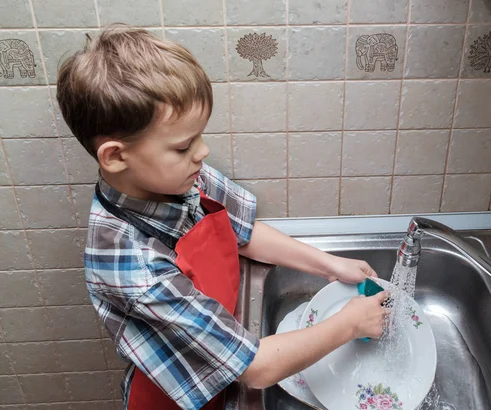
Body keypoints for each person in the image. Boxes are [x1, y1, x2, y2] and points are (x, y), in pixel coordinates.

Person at [56, 25, 389, 410]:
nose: (202, 152)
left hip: (224, 363)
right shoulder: (131, 266)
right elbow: (256, 368)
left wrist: (328, 264)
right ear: (115, 157)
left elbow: (241, 231)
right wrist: (350, 324)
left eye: (198, 137)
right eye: (183, 146)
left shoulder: (178, 177)